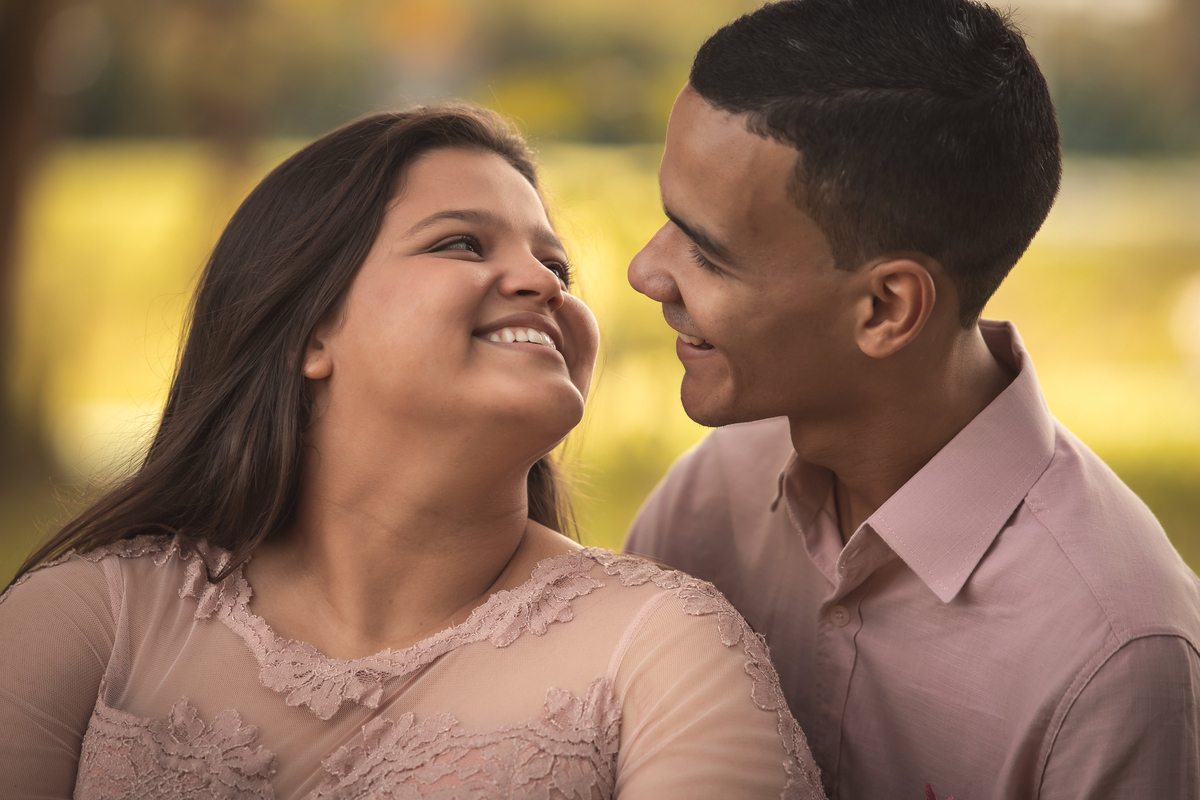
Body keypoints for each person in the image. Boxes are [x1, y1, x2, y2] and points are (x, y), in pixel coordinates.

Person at [0, 104, 825, 799]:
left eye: (557, 266)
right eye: (462, 244)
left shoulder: (660, 649)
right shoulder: (92, 620)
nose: (545, 284)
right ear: (310, 331)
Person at [623, 1, 1200, 798]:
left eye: (708, 254)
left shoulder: (1113, 658)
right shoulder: (708, 498)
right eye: (666, 221)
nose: (645, 272)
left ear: (887, 309)